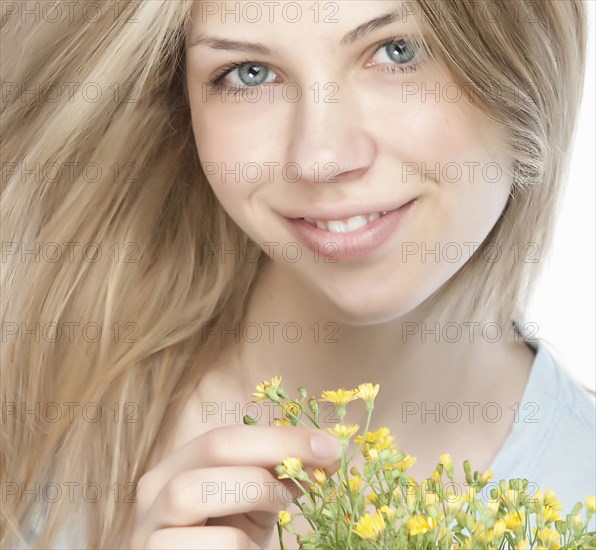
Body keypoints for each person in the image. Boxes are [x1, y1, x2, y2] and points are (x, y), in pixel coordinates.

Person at [1, 0, 593, 548]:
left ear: (523, 58)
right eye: (249, 74)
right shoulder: (35, 448)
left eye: (397, 52)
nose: (320, 157)